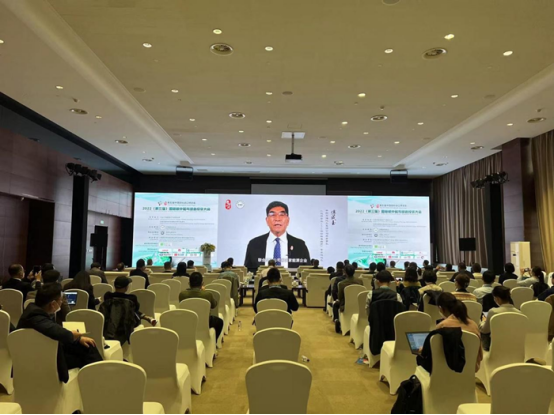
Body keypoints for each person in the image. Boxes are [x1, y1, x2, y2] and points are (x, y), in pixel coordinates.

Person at [17, 283, 102, 383]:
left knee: (86, 346)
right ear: (53, 304)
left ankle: (97, 378)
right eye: (61, 300)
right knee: (87, 351)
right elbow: (56, 331)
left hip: (41, 353)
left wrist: (78, 339)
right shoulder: (34, 316)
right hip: (44, 360)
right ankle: (99, 379)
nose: (62, 303)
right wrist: (73, 335)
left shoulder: (34, 310)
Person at [244, 201, 311, 270]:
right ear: (267, 220)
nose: (277, 219)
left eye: (281, 215)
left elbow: (307, 272)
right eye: (272, 215)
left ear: (288, 220)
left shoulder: (300, 245)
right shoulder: (254, 244)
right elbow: (248, 273)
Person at [435, 293, 483, 371]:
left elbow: (435, 351)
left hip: (444, 369)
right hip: (470, 369)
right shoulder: (473, 325)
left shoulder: (442, 325)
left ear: (440, 308)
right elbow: (480, 355)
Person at [179, 273, 224, 342]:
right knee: (219, 322)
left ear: (189, 283)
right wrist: (203, 291)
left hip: (187, 322)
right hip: (205, 321)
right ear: (202, 283)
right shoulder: (207, 294)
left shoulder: (182, 294)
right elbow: (214, 305)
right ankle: (213, 343)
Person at [479, 286, 522, 351]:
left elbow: (485, 330)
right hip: (514, 344)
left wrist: (483, 321)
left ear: (497, 298)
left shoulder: (493, 311)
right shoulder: (519, 313)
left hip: (496, 344)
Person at [332, 265, 363, 332]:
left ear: (345, 272)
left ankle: (336, 319)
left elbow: (340, 297)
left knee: (335, 305)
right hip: (358, 305)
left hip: (345, 306)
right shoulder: (360, 281)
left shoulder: (341, 284)